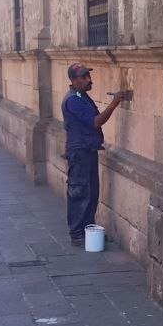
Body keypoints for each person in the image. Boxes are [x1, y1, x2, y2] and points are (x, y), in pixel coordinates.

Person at [62, 63, 125, 247]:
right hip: (79, 152)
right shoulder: (73, 99)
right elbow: (96, 122)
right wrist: (114, 103)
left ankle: (88, 231)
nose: (89, 80)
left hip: (87, 150)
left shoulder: (81, 95)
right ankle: (77, 234)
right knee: (80, 193)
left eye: (88, 76)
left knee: (91, 193)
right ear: (73, 80)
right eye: (83, 77)